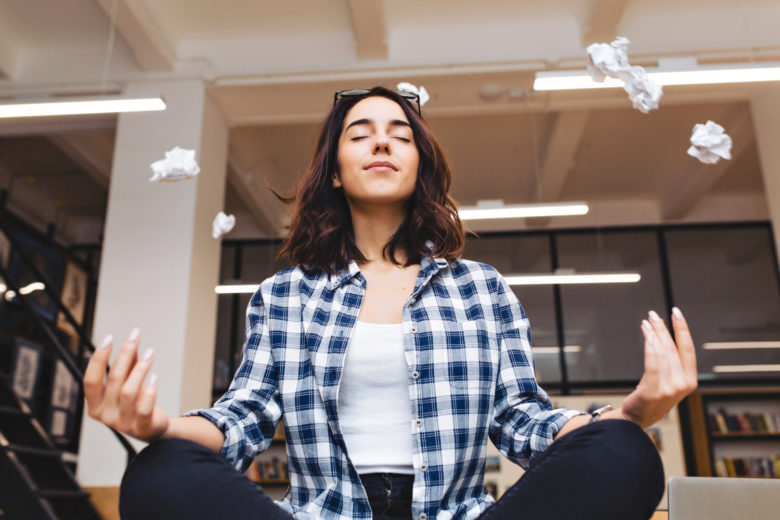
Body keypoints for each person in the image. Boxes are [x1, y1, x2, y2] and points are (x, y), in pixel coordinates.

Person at [83, 86, 698, 520]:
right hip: (325, 516)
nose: (382, 144)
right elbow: (243, 418)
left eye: (400, 136)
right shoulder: (285, 295)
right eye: (362, 135)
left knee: (624, 452)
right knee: (158, 471)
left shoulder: (480, 289)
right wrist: (157, 426)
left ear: (419, 164)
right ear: (335, 169)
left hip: (454, 515)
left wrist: (634, 411)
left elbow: (523, 420)